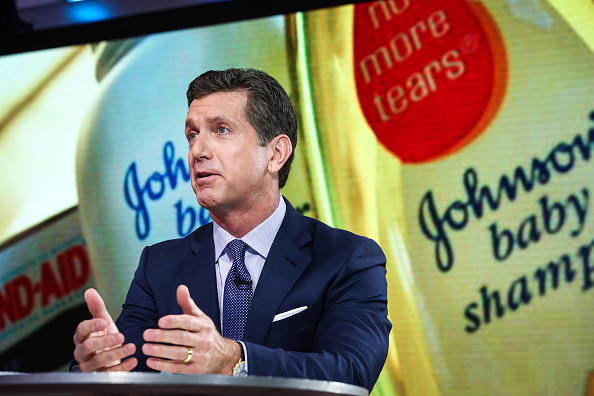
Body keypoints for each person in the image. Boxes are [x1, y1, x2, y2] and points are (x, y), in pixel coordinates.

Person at [72, 68, 391, 391]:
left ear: (276, 154)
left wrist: (234, 361)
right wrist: (99, 368)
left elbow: (351, 372)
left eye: (221, 130)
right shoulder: (159, 266)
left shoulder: (346, 259)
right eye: (192, 135)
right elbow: (128, 364)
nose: (198, 151)